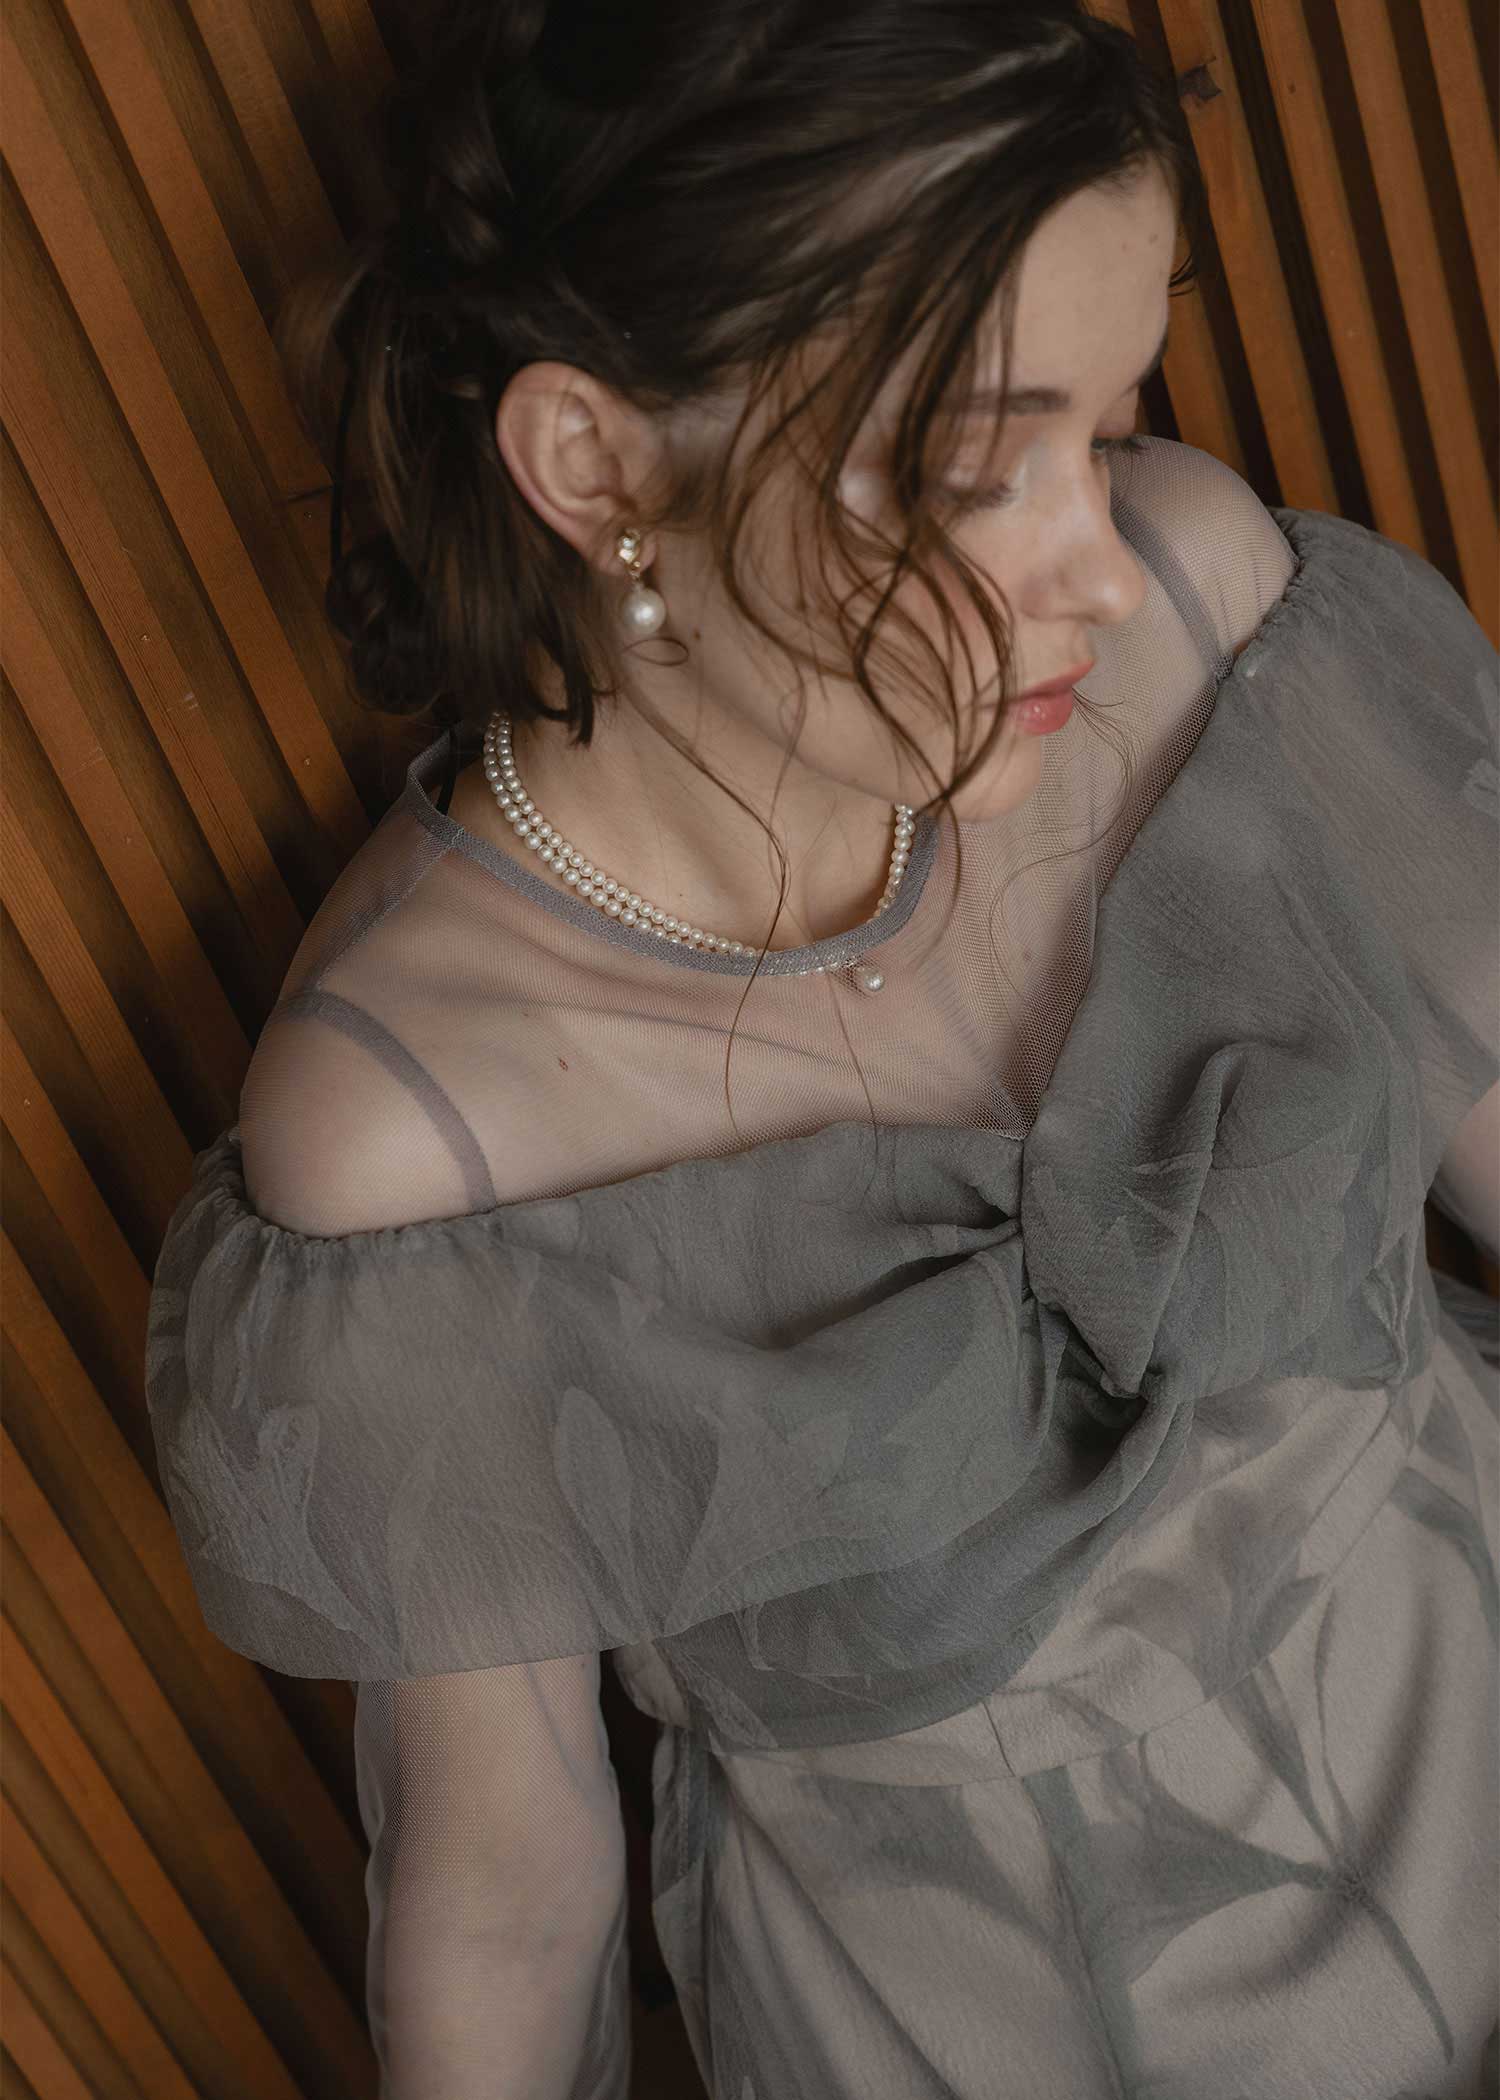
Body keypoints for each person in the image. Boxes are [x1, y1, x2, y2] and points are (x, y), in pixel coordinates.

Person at [143, 3, 1500, 2095]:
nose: (1095, 559)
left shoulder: (1204, 602)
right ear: (598, 466)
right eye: (977, 470)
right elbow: (509, 1893)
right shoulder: (421, 1144)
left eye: (1112, 419)